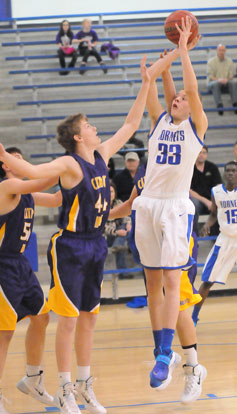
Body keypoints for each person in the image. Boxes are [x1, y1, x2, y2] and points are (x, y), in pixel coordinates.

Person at [0, 56, 151, 414]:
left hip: (96, 243)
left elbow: (131, 124)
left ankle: (83, 384)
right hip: (69, 247)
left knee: (90, 316)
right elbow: (33, 170)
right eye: (89, 125)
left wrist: (147, 83)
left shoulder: (100, 153)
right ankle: (65, 387)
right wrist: (5, 155)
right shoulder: (69, 163)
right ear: (77, 136)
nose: (96, 127)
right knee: (66, 320)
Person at [130, 17, 208, 390]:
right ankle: (163, 351)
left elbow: (189, 89)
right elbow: (161, 91)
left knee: (172, 282)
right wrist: (162, 71)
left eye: (183, 100)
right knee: (152, 282)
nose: (179, 100)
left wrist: (182, 50)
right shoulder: (159, 121)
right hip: (147, 204)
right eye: (174, 99)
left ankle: (168, 356)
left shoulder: (196, 128)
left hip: (176, 207)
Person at [110, 143, 206, 404]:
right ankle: (171, 357)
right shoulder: (144, 176)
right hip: (153, 241)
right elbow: (130, 204)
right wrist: (102, 217)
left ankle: (193, 368)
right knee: (158, 298)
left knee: (179, 305)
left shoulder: (176, 168)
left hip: (178, 239)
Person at [0, 147, 62, 413]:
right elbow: (46, 179)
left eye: (24, 158)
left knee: (41, 316)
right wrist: (71, 163)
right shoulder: (8, 187)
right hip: (2, 266)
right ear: (6, 165)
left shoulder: (27, 194)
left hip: (20, 266)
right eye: (17, 159)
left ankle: (32, 379)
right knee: (4, 333)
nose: (23, 163)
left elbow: (57, 198)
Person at [192, 161, 237, 326]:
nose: (230, 173)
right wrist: (207, 225)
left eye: (234, 170)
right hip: (225, 239)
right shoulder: (216, 192)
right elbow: (213, 214)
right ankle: (194, 316)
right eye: (228, 171)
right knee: (208, 280)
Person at [190, 145, 222, 235]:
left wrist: (213, 201)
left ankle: (216, 236)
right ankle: (195, 236)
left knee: (221, 204)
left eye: (204, 153)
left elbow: (218, 186)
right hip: (198, 201)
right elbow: (188, 190)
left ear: (207, 155)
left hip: (212, 199)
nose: (201, 155)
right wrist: (207, 202)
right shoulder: (190, 168)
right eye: (200, 152)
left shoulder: (212, 167)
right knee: (193, 204)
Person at [104, 183, 132, 280]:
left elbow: (127, 216)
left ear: (115, 193)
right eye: (107, 191)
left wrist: (129, 224)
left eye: (111, 191)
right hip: (106, 237)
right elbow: (102, 227)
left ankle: (119, 244)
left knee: (126, 226)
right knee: (121, 238)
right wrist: (116, 232)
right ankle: (122, 272)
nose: (109, 194)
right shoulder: (99, 206)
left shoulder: (119, 203)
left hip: (121, 234)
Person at [207, 44, 237, 115]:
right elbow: (210, 76)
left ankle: (235, 103)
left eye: (223, 50)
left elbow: (231, 75)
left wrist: (226, 79)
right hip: (214, 82)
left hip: (226, 82)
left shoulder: (230, 61)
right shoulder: (211, 62)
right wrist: (219, 80)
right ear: (217, 51)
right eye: (220, 50)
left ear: (225, 51)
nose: (221, 52)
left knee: (233, 82)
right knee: (215, 84)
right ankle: (219, 105)